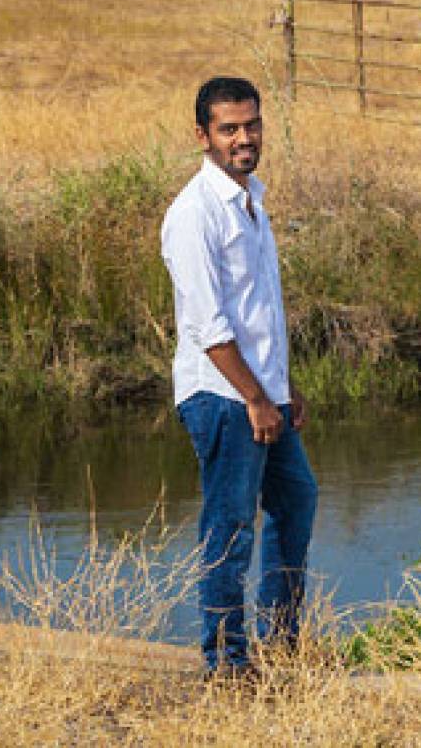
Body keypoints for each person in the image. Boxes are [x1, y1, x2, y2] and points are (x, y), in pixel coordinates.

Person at [161, 76, 318, 677]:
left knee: (295, 501)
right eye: (229, 129)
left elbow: (262, 313)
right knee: (229, 528)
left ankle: (282, 644)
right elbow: (212, 325)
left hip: (261, 392)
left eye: (251, 125)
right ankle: (226, 662)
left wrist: (285, 388)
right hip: (222, 395)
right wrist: (255, 398)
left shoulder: (252, 198)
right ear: (203, 136)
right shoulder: (193, 214)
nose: (243, 138)